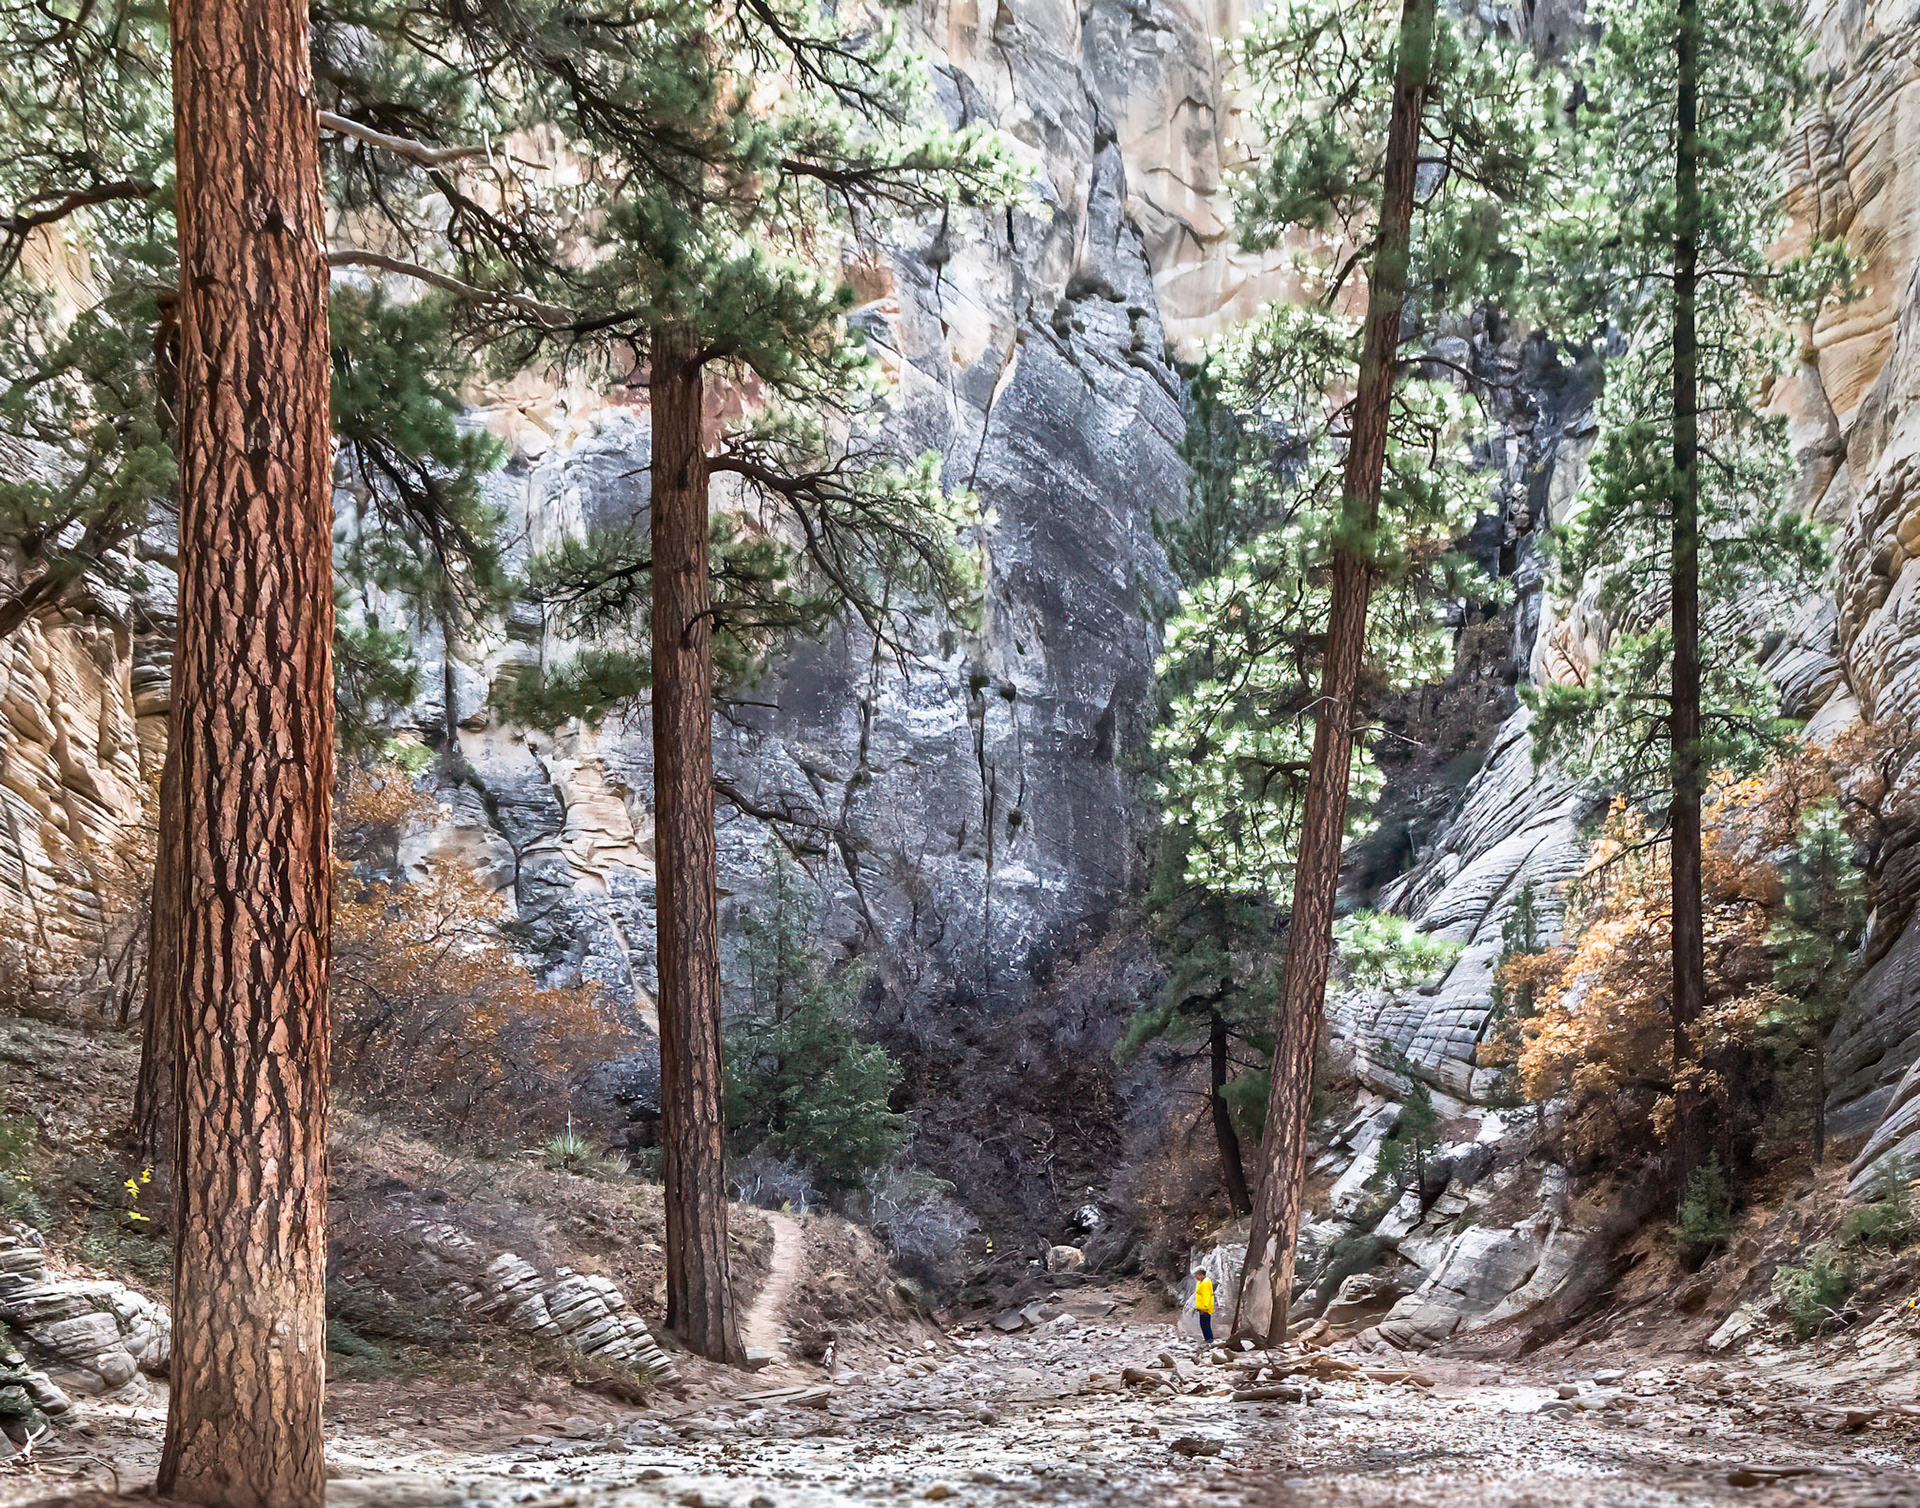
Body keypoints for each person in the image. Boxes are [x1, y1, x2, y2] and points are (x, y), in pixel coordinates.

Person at [1192, 1268, 1215, 1344]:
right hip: (1201, 1306)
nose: (1196, 1277)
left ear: (1201, 1275)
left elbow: (1206, 1295)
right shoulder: (1202, 1282)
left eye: (1197, 1275)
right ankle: (1207, 1338)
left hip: (1204, 1308)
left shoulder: (1205, 1283)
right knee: (1203, 1324)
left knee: (1205, 1324)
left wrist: (1205, 1307)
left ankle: (1209, 1339)